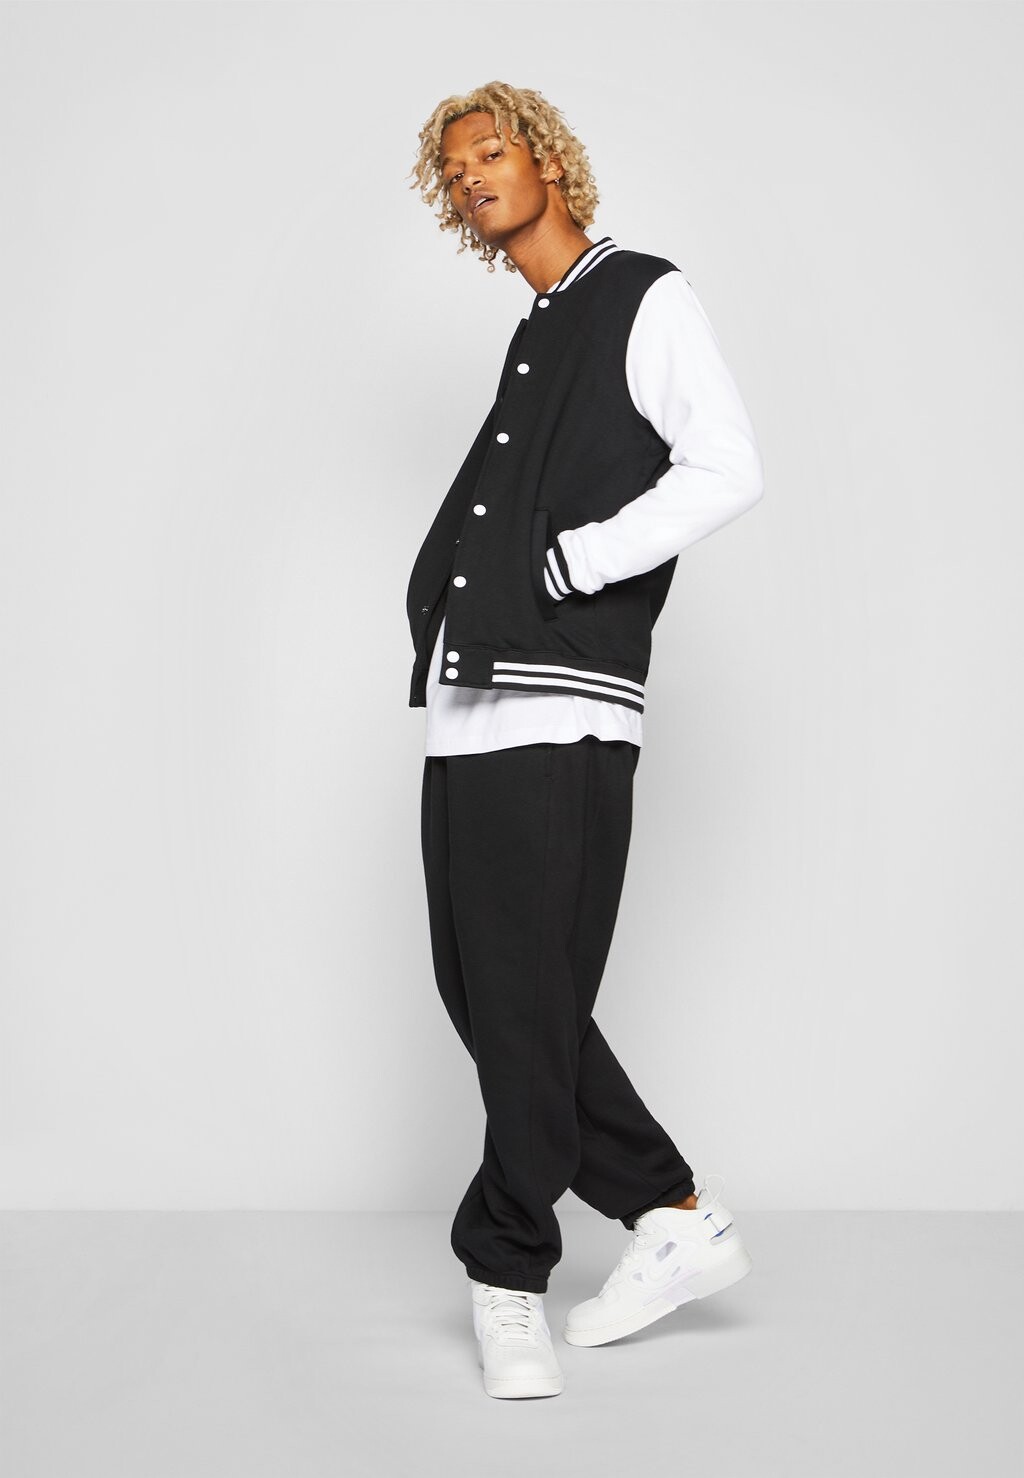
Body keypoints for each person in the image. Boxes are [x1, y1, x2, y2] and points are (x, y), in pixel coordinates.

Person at [406, 81, 764, 1400]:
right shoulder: (540, 325)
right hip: (475, 701)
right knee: (489, 993)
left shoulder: (640, 295)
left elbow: (726, 465)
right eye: (455, 169)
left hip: (558, 698)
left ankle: (508, 1266)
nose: (473, 176)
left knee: (521, 999)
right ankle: (672, 1215)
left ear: (547, 160)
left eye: (492, 151)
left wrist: (578, 561)